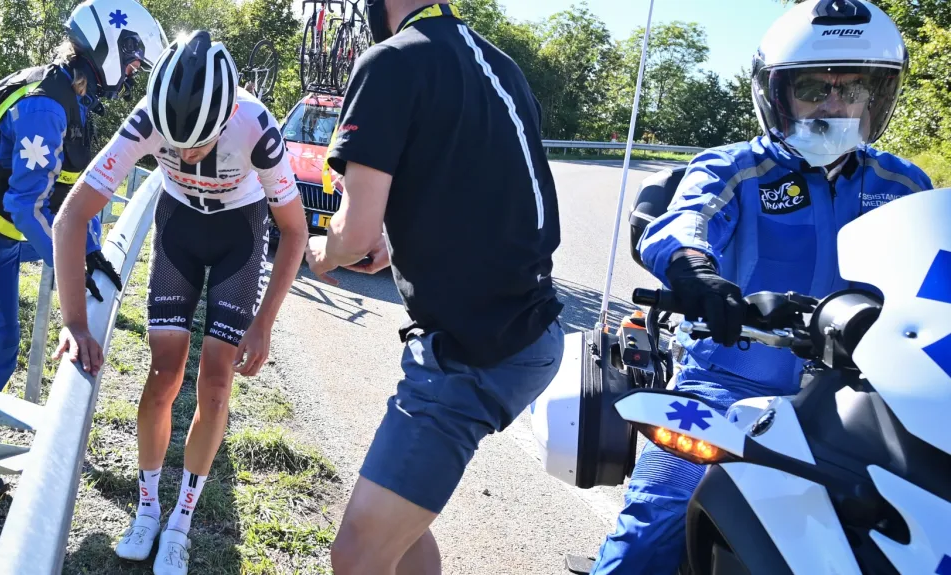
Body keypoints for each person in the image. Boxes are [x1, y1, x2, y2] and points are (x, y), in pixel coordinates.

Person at [589, 1, 933, 573]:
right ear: (777, 94)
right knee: (654, 526)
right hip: (729, 382)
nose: (834, 105)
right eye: (813, 89)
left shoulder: (902, 182)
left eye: (852, 89)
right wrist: (696, 271)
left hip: (867, 395)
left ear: (877, 98)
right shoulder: (733, 168)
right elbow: (686, 221)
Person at [302, 1, 564, 573]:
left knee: (356, 554)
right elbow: (482, 189)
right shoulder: (500, 65)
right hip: (529, 324)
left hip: (473, 351)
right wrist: (398, 244)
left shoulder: (391, 61)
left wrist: (324, 250)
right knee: (401, 535)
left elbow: (352, 233)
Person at [51, 29, 308, 575]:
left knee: (215, 385)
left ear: (227, 116)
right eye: (175, 144)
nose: (187, 155)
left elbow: (294, 230)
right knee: (164, 373)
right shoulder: (147, 116)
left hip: (240, 233)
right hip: (179, 231)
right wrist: (74, 322)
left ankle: (181, 523)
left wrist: (264, 323)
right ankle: (147, 509)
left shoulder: (256, 125)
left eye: (200, 144)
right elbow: (71, 218)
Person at [0, 0, 166, 495]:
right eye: (132, 63)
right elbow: (27, 207)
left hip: (3, 231)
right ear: (109, 48)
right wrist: (73, 266)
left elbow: (70, 195)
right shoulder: (46, 107)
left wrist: (90, 250)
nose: (132, 74)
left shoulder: (73, 95)